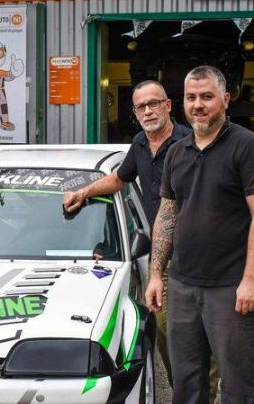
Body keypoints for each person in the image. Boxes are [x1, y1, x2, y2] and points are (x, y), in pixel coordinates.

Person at [145, 65, 254, 404]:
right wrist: (157, 274)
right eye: (191, 98)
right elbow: (167, 213)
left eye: (207, 97)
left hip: (230, 288)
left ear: (225, 100)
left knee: (240, 383)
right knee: (187, 383)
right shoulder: (177, 151)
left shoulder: (248, 147)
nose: (198, 105)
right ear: (182, 103)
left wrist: (251, 280)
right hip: (184, 286)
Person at [63, 79, 191, 389]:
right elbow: (120, 179)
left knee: (201, 337)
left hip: (196, 253)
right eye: (141, 106)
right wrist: (84, 192)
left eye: (154, 103)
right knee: (166, 333)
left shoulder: (190, 143)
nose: (148, 111)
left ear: (168, 105)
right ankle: (185, 392)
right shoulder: (139, 144)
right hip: (162, 258)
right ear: (135, 112)